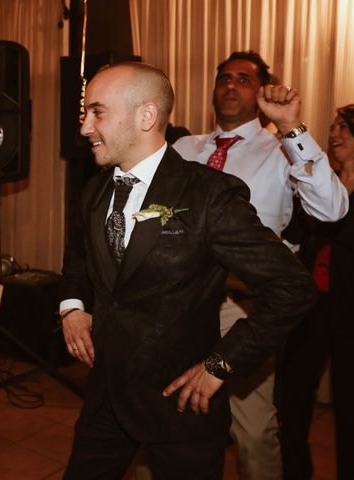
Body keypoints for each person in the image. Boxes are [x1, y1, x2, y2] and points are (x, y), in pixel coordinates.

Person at [59, 61, 316, 479]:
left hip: (181, 402)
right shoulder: (94, 189)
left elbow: (292, 287)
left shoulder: (208, 194)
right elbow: (78, 255)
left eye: (97, 112)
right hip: (106, 395)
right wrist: (72, 307)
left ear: (146, 115)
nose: (86, 127)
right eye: (86, 114)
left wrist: (221, 363)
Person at [172, 51, 349, 479]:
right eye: (224, 78)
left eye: (244, 80)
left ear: (260, 93)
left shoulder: (283, 150)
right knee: (168, 422)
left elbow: (331, 209)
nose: (231, 85)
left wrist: (290, 126)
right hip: (176, 304)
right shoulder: (182, 148)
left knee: (252, 433)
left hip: (242, 308)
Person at [279, 104, 354, 480]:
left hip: (350, 314)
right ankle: (296, 473)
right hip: (309, 310)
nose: (334, 134)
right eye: (332, 127)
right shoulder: (318, 184)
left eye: (344, 128)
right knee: (290, 398)